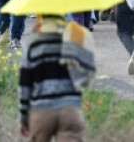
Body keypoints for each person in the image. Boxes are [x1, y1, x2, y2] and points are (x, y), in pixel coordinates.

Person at [19, 14, 94, 142]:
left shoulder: (33, 44)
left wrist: (23, 117)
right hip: (70, 109)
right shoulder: (75, 39)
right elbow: (86, 76)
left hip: (42, 110)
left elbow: (25, 84)